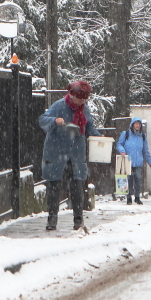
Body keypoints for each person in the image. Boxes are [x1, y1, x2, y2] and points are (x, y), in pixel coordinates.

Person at [39, 80, 99, 231]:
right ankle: (52, 220)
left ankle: (78, 220)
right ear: (71, 95)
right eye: (79, 99)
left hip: (76, 154)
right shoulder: (59, 106)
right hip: (56, 152)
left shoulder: (84, 110)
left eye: (84, 100)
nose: (81, 102)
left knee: (77, 186)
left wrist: (99, 137)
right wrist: (54, 120)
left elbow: (89, 126)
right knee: (54, 186)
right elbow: (43, 120)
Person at [116, 118, 151, 205]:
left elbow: (145, 150)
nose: (137, 125)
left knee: (137, 179)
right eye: (136, 124)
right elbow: (119, 144)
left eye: (139, 124)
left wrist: (150, 162)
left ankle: (137, 197)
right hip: (128, 160)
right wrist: (122, 151)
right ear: (132, 125)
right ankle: (129, 197)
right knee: (129, 180)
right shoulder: (126, 134)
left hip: (138, 162)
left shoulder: (142, 136)